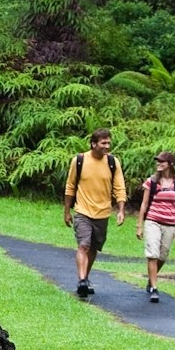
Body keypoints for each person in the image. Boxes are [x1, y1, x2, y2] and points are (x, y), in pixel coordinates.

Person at [60, 128, 125, 298]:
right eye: (104, 143)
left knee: (94, 248)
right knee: (84, 245)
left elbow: (119, 187)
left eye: (109, 143)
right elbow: (70, 186)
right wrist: (67, 211)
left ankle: (85, 278)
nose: (107, 146)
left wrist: (121, 210)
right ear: (93, 144)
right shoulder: (79, 160)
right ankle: (81, 280)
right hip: (82, 210)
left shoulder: (113, 162)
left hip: (103, 212)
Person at [134, 151, 175, 302]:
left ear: (170, 164)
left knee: (163, 256)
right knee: (153, 253)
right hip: (153, 220)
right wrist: (139, 225)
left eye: (162, 161)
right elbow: (144, 204)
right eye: (157, 161)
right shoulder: (151, 181)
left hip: (170, 222)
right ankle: (154, 288)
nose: (158, 164)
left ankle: (151, 279)